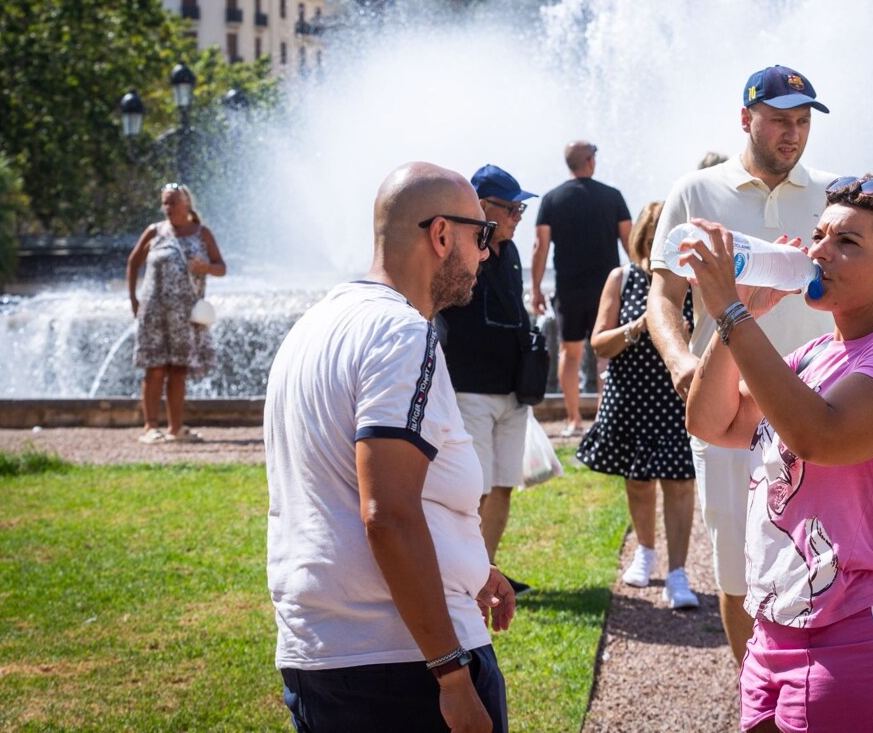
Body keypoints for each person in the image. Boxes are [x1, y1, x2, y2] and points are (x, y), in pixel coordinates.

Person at [684, 174, 873, 733]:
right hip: (775, 629)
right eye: (820, 234)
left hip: (863, 632)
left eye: (847, 242)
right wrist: (747, 312)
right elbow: (712, 421)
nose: (818, 251)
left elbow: (819, 437)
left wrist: (729, 311)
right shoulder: (810, 356)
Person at [266, 162, 516, 733]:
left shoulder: (313, 327)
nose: (489, 253)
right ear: (441, 234)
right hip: (403, 665)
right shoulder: (402, 334)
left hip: (322, 653)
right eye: (482, 236)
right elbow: (387, 514)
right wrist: (453, 678)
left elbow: (344, 489)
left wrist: (471, 565)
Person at [648, 66, 834, 666]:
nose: (793, 133)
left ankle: (815, 695)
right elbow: (662, 295)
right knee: (738, 568)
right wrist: (680, 360)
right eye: (780, 119)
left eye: (803, 121)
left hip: (819, 406)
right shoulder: (695, 191)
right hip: (729, 409)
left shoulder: (835, 195)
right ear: (745, 118)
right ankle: (757, 703)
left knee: (826, 559)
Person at [576, 202, 699, 609]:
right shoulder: (622, 277)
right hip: (631, 395)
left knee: (680, 483)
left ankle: (678, 574)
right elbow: (598, 342)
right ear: (647, 236)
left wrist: (689, 336)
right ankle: (645, 553)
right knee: (639, 479)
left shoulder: (692, 282)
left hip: (675, 396)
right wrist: (637, 326)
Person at [438, 164, 538, 594]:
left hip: (512, 388)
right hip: (470, 386)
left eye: (521, 209)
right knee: (470, 490)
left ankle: (485, 570)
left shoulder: (510, 252)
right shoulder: (455, 249)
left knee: (502, 485)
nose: (518, 216)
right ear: (483, 207)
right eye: (512, 208)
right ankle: (460, 575)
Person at [532, 140, 632, 438]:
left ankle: (574, 420)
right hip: (608, 289)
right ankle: (603, 419)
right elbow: (630, 242)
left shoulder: (552, 199)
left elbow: (540, 246)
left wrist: (536, 288)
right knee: (605, 354)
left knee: (569, 352)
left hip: (569, 288)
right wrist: (644, 276)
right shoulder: (612, 196)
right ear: (589, 161)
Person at [126, 183, 226, 444]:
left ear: (187, 204)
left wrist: (205, 267)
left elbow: (221, 267)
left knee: (179, 369)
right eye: (165, 203)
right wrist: (133, 299)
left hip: (185, 314)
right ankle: (150, 427)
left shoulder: (202, 233)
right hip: (154, 311)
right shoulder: (154, 232)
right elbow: (133, 262)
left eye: (173, 202)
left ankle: (176, 428)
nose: (168, 208)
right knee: (155, 367)